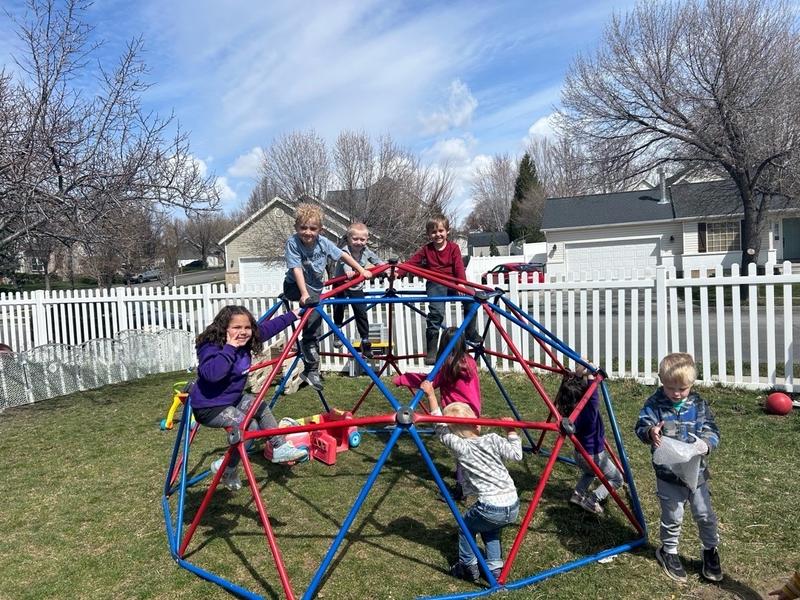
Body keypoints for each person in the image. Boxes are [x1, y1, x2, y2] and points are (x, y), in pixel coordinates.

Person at [191, 305, 309, 491]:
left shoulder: (247, 338)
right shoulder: (211, 346)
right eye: (236, 327)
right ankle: (227, 467)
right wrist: (230, 348)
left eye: (247, 327)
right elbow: (212, 374)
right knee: (246, 427)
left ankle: (278, 448)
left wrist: (293, 315)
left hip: (231, 399)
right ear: (224, 328)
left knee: (259, 409)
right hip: (209, 406)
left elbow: (269, 328)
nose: (243, 332)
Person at [634, 352, 723, 583]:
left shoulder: (698, 404)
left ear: (691, 384)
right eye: (670, 387)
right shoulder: (655, 404)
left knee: (705, 514)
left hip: (697, 472)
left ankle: (710, 550)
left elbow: (712, 429)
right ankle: (668, 551)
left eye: (682, 389)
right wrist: (650, 432)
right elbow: (641, 426)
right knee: (673, 515)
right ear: (662, 382)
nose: (676, 393)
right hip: (668, 473)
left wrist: (706, 443)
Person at [423, 391, 522, 583]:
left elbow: (440, 429)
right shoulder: (493, 439)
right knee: (491, 530)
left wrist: (431, 396)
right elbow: (516, 454)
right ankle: (494, 569)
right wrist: (511, 431)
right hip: (513, 504)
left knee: (465, 528)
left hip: (490, 506)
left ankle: (468, 566)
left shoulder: (461, 447)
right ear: (476, 423)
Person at [284, 203, 373, 391]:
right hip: (295, 285)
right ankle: (311, 367)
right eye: (303, 228)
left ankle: (311, 369)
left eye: (312, 228)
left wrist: (360, 269)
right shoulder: (293, 242)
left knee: (314, 327)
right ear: (296, 227)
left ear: (320, 230)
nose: (307, 232)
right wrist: (304, 293)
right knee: (311, 320)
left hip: (314, 287)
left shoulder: (323, 242)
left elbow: (343, 256)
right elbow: (296, 268)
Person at [393, 327, 482, 499]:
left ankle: (462, 488)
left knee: (461, 451)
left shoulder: (448, 366)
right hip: (472, 412)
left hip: (456, 415)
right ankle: (464, 478)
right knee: (468, 447)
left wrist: (402, 379)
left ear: (444, 345)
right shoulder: (469, 362)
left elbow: (427, 382)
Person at [402, 214, 480, 365]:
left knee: (472, 299)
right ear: (428, 234)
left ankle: (470, 332)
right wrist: (398, 272)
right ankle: (432, 350)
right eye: (433, 232)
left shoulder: (453, 248)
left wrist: (462, 284)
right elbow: (411, 263)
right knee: (436, 313)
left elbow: (458, 266)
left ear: (447, 231)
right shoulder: (426, 250)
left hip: (454, 281)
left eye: (440, 231)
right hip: (436, 283)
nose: (437, 234)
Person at [555, 367, 624, 515]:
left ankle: (578, 494)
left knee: (590, 473)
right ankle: (592, 500)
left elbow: (576, 392)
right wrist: (594, 377)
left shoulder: (569, 412)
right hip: (594, 455)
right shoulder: (589, 412)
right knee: (617, 479)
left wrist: (580, 375)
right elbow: (592, 397)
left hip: (579, 454)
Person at [332, 222, 386, 358]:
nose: (359, 242)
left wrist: (386, 268)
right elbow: (346, 264)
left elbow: (377, 260)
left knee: (361, 311)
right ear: (349, 238)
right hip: (341, 284)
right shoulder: (345, 250)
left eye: (362, 239)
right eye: (355, 239)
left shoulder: (366, 251)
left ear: (367, 240)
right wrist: (349, 272)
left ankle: (365, 340)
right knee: (339, 307)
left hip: (356, 285)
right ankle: (337, 331)